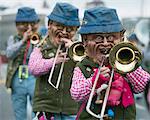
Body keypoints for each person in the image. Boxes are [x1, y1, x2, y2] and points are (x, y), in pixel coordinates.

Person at [70, 7, 150, 120]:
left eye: (111, 37)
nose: (106, 43)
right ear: (85, 41)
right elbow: (76, 94)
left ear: (121, 38)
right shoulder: (83, 67)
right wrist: (95, 81)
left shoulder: (128, 61)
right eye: (98, 38)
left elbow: (143, 86)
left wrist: (127, 66)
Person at [28, 2, 80, 120]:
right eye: (60, 27)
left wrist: (74, 51)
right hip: (45, 108)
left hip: (71, 109)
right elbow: (33, 69)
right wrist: (53, 61)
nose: (64, 32)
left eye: (70, 29)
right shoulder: (41, 46)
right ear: (50, 25)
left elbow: (89, 69)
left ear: (76, 30)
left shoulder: (79, 48)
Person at [5, 7, 40, 120]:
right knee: (19, 110)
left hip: (34, 77)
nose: (28, 27)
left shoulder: (41, 38)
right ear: (17, 25)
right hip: (17, 78)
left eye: (32, 24)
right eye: (24, 24)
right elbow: (9, 54)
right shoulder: (13, 38)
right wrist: (23, 41)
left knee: (37, 109)